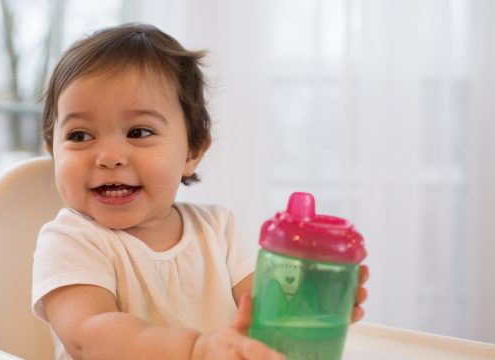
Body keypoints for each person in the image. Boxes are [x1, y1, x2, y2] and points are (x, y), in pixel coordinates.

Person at [31, 23, 369, 360]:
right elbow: (89, 336)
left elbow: (262, 313)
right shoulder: (70, 240)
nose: (108, 157)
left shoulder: (217, 229)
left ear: (192, 151)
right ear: (52, 149)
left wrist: (309, 308)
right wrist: (195, 350)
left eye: (138, 131)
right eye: (79, 136)